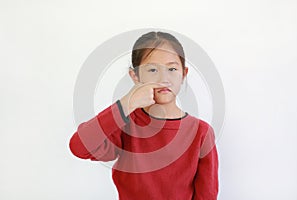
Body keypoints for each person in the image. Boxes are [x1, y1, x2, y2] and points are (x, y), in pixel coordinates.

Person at [69, 31, 219, 200]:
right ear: (135, 76)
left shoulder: (201, 132)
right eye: (153, 69)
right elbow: (79, 147)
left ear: (183, 74)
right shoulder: (125, 124)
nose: (164, 78)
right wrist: (128, 103)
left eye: (172, 69)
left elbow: (207, 195)